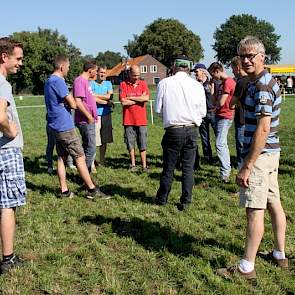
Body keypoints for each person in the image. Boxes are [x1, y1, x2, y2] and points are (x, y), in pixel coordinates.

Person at [217, 36, 288, 281]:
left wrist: (247, 166)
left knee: (254, 209)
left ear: (262, 57)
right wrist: (240, 85)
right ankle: (280, 254)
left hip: (259, 156)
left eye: (251, 56)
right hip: (271, 154)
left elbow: (263, 128)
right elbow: (233, 104)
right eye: (242, 56)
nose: (246, 60)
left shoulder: (262, 87)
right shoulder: (254, 82)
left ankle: (246, 267)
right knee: (273, 203)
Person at [44, 55, 110, 200]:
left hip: (54, 124)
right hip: (64, 125)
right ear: (62, 67)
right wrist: (71, 100)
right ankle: (92, 189)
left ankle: (64, 190)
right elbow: (73, 103)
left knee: (61, 157)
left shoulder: (48, 81)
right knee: (80, 157)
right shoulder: (58, 81)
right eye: (67, 67)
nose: (68, 69)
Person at [155, 56, 206, 211]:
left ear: (174, 66)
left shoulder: (164, 83)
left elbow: (158, 110)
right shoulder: (197, 86)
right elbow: (202, 112)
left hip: (173, 129)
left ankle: (162, 198)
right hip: (191, 129)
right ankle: (186, 199)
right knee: (188, 167)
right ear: (189, 68)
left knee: (169, 166)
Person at [0, 37, 26, 273]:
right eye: (17, 59)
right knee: (8, 204)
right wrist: (11, 129)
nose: (20, 63)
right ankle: (8, 258)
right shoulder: (3, 84)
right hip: (6, 152)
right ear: (4, 57)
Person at [208, 62, 236, 183]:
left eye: (213, 75)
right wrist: (213, 89)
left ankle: (225, 173)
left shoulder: (228, 82)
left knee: (220, 144)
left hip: (225, 116)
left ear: (217, 71)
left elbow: (220, 103)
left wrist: (215, 108)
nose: (213, 77)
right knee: (221, 143)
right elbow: (214, 101)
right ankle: (225, 171)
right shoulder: (220, 84)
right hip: (220, 116)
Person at [119, 65, 149, 172]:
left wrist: (130, 97)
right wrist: (139, 99)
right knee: (130, 142)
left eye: (138, 75)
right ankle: (133, 164)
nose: (136, 77)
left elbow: (146, 98)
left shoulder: (143, 84)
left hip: (141, 119)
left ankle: (144, 165)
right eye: (134, 75)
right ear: (129, 73)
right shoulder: (123, 84)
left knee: (143, 142)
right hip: (128, 120)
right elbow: (123, 101)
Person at [73, 60, 98, 172]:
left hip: (89, 120)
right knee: (91, 148)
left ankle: (83, 171)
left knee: (87, 146)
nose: (96, 73)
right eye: (96, 71)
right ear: (90, 70)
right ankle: (84, 173)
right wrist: (88, 116)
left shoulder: (86, 82)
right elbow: (78, 102)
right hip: (85, 120)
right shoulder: (79, 81)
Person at [192, 63, 216, 166]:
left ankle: (221, 158)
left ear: (203, 71)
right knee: (204, 138)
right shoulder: (196, 85)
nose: (195, 74)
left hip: (213, 113)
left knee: (219, 138)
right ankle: (208, 158)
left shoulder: (211, 83)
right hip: (202, 115)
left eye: (196, 71)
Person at [90, 65, 114, 166]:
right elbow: (91, 97)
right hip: (95, 115)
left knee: (104, 139)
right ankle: (92, 161)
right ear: (97, 73)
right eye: (101, 72)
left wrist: (96, 95)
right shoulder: (91, 83)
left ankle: (102, 160)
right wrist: (105, 101)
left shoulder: (108, 83)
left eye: (104, 73)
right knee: (95, 139)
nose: (102, 74)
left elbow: (109, 96)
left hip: (106, 114)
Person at [230, 56, 249, 169]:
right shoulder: (252, 79)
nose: (232, 71)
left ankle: (241, 166)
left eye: (232, 68)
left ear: (237, 68)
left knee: (241, 144)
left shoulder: (241, 82)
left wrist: (234, 104)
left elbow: (232, 103)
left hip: (241, 117)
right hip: (251, 117)